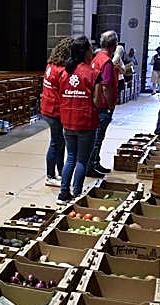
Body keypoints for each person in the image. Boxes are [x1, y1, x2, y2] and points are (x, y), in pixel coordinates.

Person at [57, 36, 98, 202]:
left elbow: (61, 95)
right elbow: (97, 101)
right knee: (82, 160)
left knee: (71, 157)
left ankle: (63, 193)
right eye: (90, 49)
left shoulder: (64, 73)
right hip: (85, 122)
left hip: (68, 121)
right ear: (85, 52)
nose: (92, 51)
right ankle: (76, 195)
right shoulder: (93, 74)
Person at [85, 30, 119, 178]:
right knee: (98, 138)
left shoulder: (96, 58)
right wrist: (111, 104)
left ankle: (95, 162)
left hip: (94, 103)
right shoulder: (106, 62)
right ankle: (90, 166)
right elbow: (106, 86)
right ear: (114, 45)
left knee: (97, 137)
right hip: (102, 105)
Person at [41, 37, 73, 187]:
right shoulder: (61, 70)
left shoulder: (50, 65)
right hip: (55, 110)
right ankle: (50, 175)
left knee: (60, 142)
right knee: (56, 142)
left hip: (47, 108)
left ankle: (60, 172)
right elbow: (64, 92)